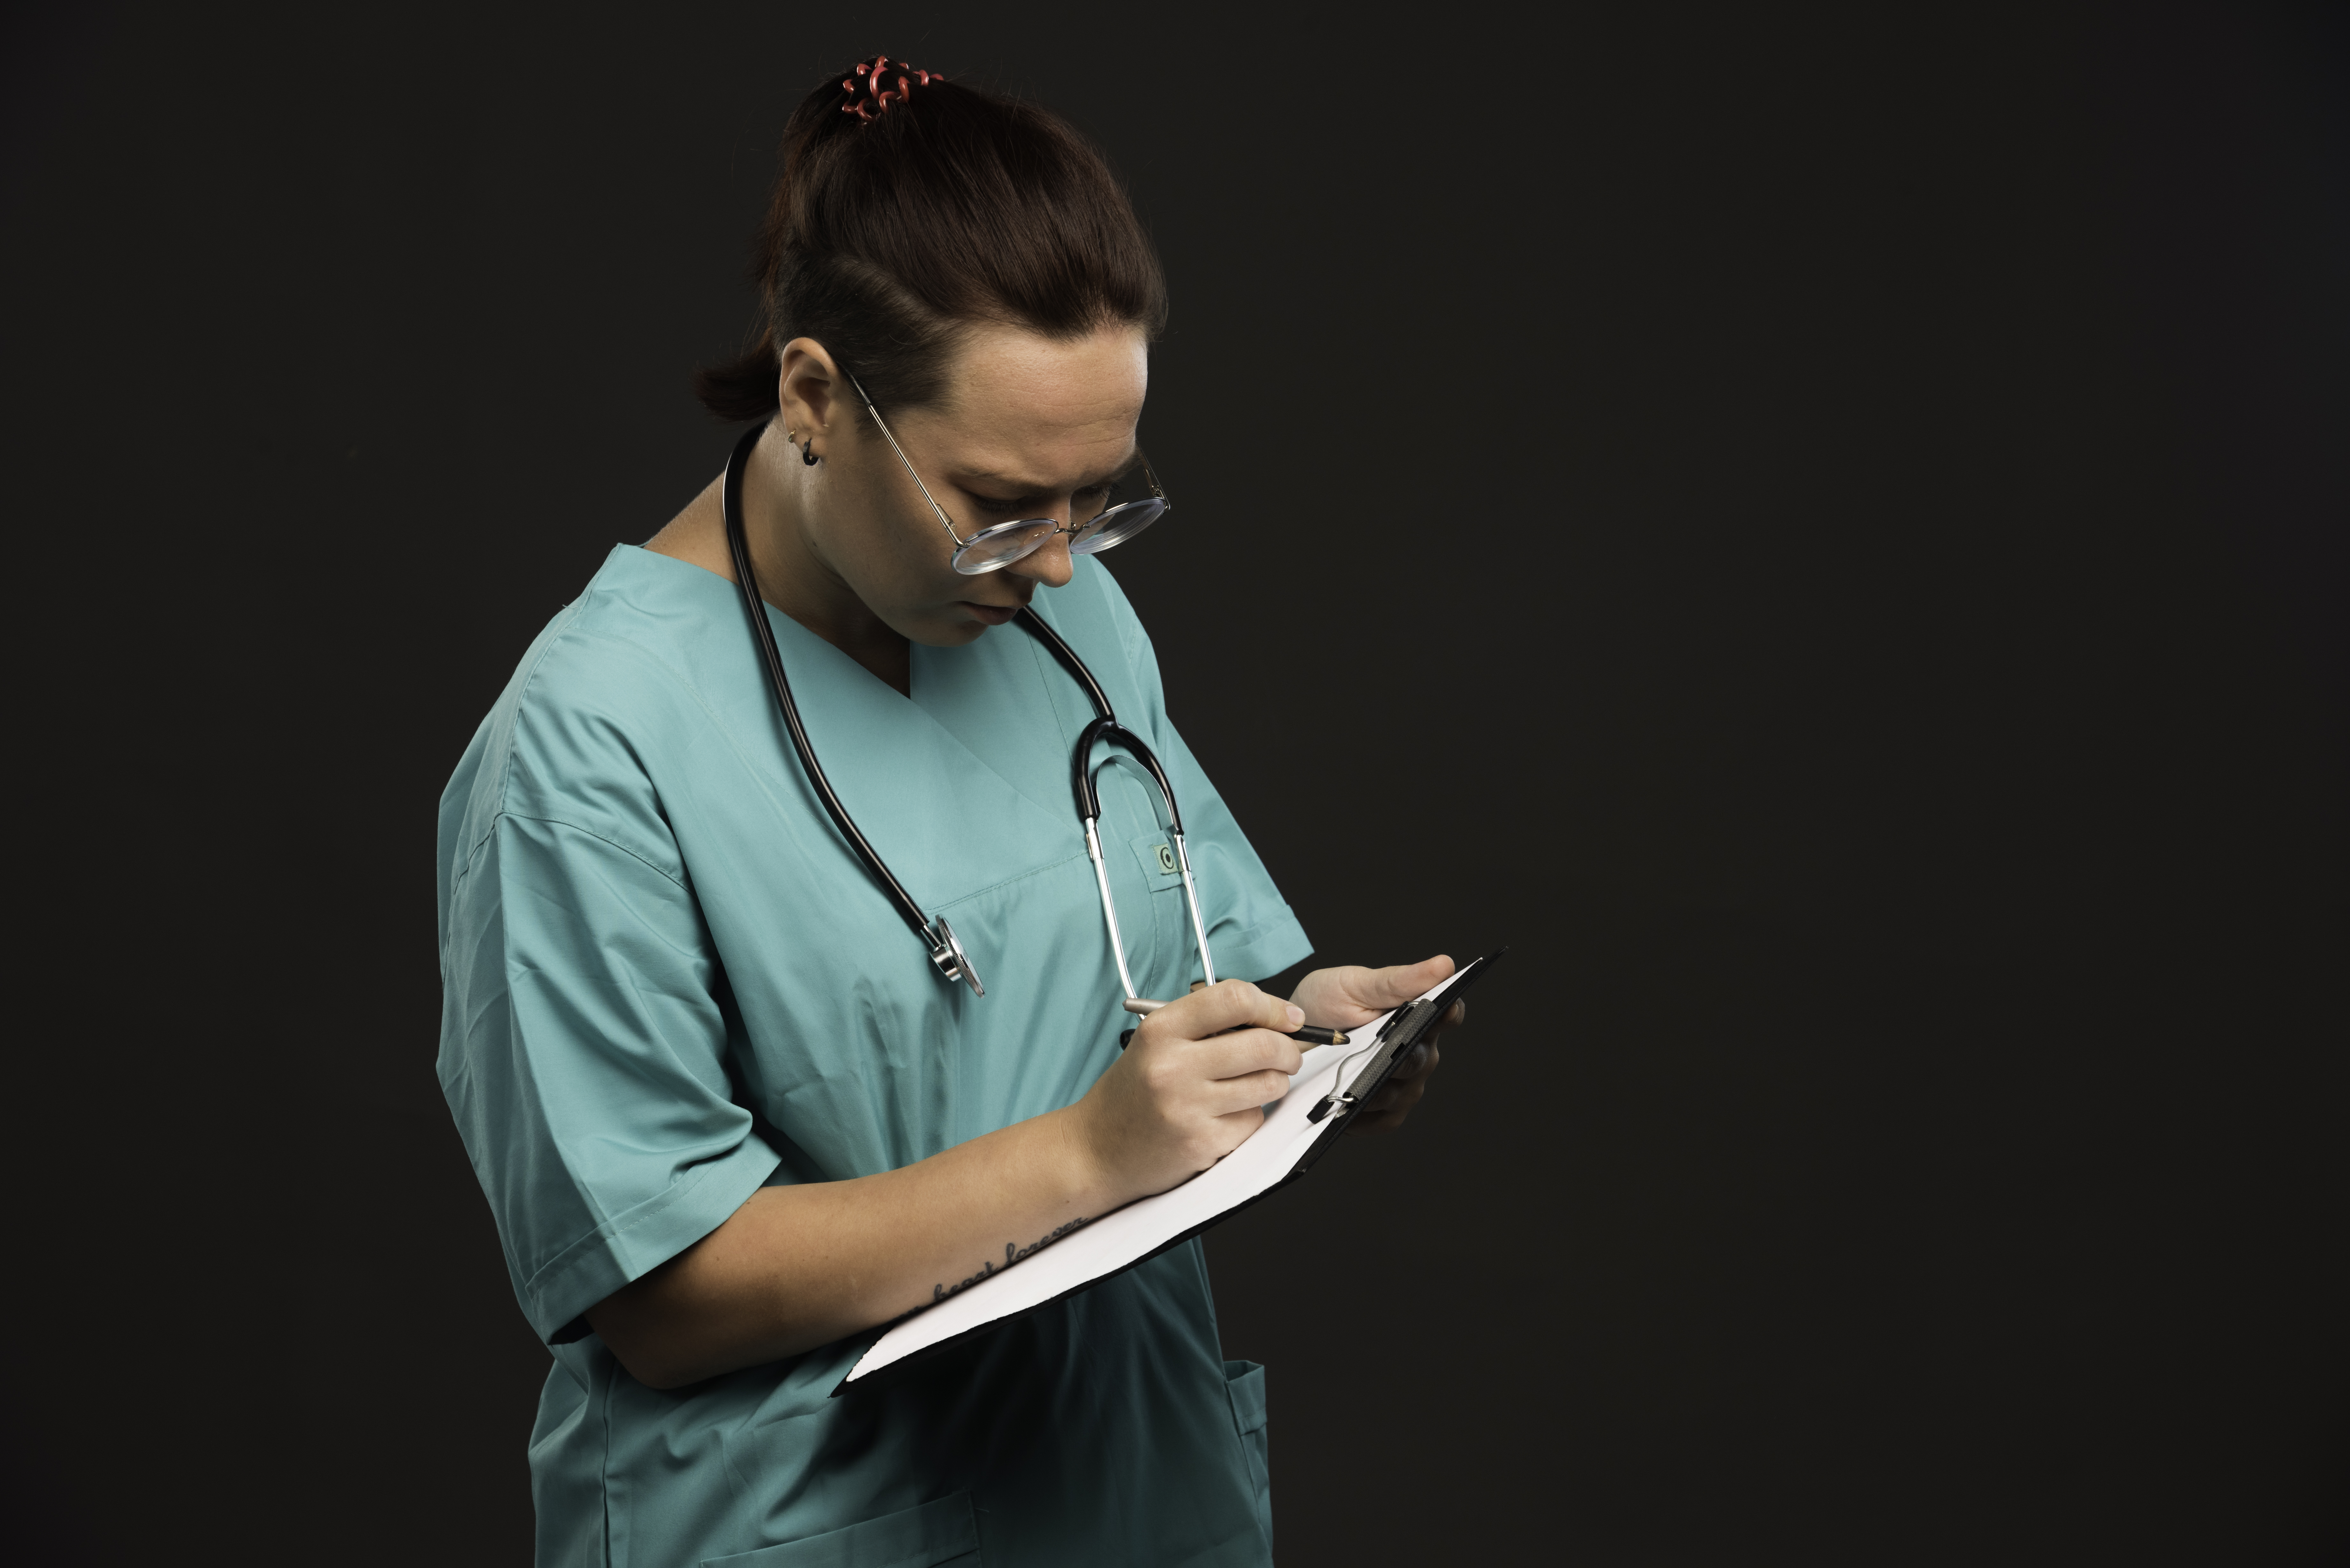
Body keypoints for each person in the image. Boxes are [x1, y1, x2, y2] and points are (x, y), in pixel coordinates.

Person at [436, 56, 1463, 1568]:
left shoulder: (1066, 626)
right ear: (811, 398)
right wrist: (1087, 1157)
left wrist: (1313, 1036)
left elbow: (1183, 982)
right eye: (997, 504)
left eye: (1100, 497)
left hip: (1123, 1491)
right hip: (809, 1521)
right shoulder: (588, 752)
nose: (1056, 563)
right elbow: (657, 1298)